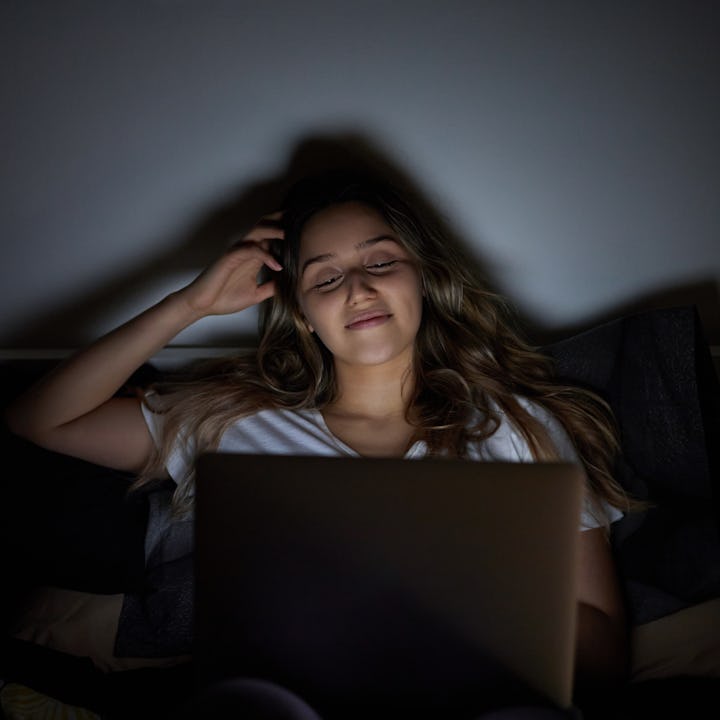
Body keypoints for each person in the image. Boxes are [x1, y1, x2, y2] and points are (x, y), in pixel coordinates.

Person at [4, 168, 642, 718]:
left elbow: (604, 655)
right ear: (302, 313)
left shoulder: (517, 426)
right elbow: (40, 421)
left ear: (423, 276)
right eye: (325, 278)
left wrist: (465, 583)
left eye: (381, 261)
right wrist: (190, 304)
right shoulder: (236, 423)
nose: (359, 289)